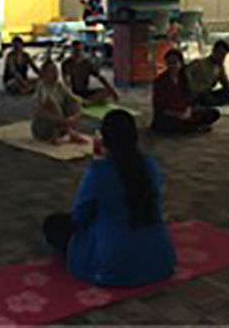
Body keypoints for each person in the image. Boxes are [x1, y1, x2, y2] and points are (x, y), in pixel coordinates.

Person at [43, 110, 176, 286]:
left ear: (105, 139)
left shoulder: (101, 172)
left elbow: (80, 215)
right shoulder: (149, 166)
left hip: (113, 262)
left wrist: (98, 163)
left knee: (53, 224)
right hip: (159, 259)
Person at [152, 49, 220, 134]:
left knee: (213, 113)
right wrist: (177, 115)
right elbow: (159, 107)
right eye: (169, 63)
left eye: (175, 62)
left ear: (181, 63)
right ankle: (193, 127)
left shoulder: (184, 79)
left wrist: (188, 111)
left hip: (185, 112)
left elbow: (189, 99)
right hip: (170, 115)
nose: (172, 66)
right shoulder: (160, 81)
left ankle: (191, 127)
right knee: (166, 123)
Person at [32, 60, 88, 144]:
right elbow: (39, 111)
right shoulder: (42, 88)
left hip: (61, 124)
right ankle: (70, 134)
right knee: (51, 103)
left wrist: (74, 116)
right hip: (44, 126)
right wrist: (59, 120)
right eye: (51, 71)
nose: (55, 74)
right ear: (44, 74)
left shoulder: (59, 85)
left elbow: (75, 99)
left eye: (56, 71)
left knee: (74, 103)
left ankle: (67, 135)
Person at [62, 40, 118, 105]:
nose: (78, 52)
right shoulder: (66, 64)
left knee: (107, 91)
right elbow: (67, 82)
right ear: (72, 50)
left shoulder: (87, 63)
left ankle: (87, 101)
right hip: (73, 93)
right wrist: (72, 95)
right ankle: (85, 101)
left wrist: (113, 91)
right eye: (76, 50)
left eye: (79, 50)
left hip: (86, 92)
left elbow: (100, 77)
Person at [185, 40, 229, 107]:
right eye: (220, 53)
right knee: (206, 98)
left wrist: (221, 69)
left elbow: (226, 84)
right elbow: (185, 75)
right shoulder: (199, 63)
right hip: (197, 94)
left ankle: (215, 102)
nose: (221, 57)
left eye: (224, 55)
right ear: (214, 51)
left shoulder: (219, 67)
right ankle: (213, 103)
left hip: (208, 93)